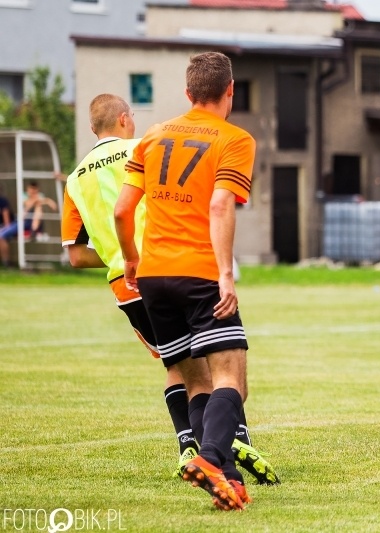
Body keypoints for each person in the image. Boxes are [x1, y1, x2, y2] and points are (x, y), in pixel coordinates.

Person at [62, 93, 277, 489]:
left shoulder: (75, 178)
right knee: (223, 368)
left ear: (93, 129)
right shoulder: (146, 144)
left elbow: (76, 255)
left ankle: (192, 449)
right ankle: (227, 445)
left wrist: (119, 256)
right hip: (176, 261)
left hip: (130, 282)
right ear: (126, 119)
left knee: (178, 368)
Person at [116, 51, 261, 511]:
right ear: (230, 90)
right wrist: (224, 274)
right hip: (198, 272)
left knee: (196, 381)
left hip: (153, 274)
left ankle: (227, 479)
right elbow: (220, 207)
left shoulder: (153, 135)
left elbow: (122, 210)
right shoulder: (234, 139)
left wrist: (132, 259)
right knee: (231, 380)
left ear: (187, 92)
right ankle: (213, 458)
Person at [0, 181, 57, 267]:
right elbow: (27, 206)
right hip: (23, 221)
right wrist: (47, 201)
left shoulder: (39, 197)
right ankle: (6, 261)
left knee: (38, 208)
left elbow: (51, 207)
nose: (33, 193)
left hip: (33, 223)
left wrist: (43, 200)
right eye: (31, 190)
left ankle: (34, 231)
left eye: (35, 191)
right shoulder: (25, 196)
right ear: (28, 189)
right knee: (2, 235)